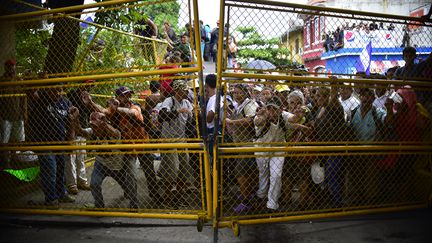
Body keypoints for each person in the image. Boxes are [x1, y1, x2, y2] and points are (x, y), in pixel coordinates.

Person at [29, 87, 75, 206]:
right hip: (43, 142)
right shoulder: (42, 98)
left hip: (59, 142)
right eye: (54, 90)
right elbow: (31, 93)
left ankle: (61, 194)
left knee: (60, 169)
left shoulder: (65, 102)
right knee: (50, 169)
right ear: (47, 90)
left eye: (60, 90)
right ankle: (51, 198)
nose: (58, 93)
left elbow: (70, 121)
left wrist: (70, 141)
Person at [157, 79, 195, 207]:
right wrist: (178, 112)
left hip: (182, 139)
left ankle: (178, 196)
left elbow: (191, 121)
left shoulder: (187, 103)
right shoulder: (170, 101)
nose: (187, 92)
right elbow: (161, 116)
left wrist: (195, 113)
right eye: (184, 90)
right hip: (168, 139)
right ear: (177, 91)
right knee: (171, 170)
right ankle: (167, 198)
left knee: (184, 169)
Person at [224, 84, 259, 213]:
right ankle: (248, 197)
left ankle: (246, 201)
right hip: (240, 144)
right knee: (245, 173)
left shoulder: (249, 104)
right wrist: (228, 111)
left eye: (239, 93)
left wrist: (232, 122)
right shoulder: (240, 105)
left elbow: (251, 120)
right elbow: (238, 115)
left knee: (242, 174)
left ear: (245, 93)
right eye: (234, 93)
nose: (236, 95)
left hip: (247, 143)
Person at [64, 80, 93, 195]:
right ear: (82, 85)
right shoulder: (72, 94)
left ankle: (82, 181)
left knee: (81, 157)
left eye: (91, 86)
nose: (89, 87)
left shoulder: (88, 97)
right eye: (88, 85)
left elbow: (89, 110)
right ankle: (72, 184)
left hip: (82, 127)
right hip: (72, 128)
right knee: (71, 158)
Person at [0, 59, 26, 168]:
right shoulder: (1, 80)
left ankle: (15, 160)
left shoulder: (19, 80)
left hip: (18, 114)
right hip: (5, 115)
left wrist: (25, 112)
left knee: (18, 139)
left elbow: (23, 97)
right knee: (4, 140)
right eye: (9, 66)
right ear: (5, 67)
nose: (11, 68)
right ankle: (6, 162)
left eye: (13, 66)